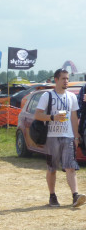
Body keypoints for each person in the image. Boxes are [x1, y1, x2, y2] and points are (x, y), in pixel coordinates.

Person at [34, 69, 85, 208]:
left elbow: (74, 117)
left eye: (67, 78)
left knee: (71, 167)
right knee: (52, 168)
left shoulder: (72, 97)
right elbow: (37, 115)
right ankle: (52, 196)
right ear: (56, 80)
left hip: (67, 137)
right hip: (51, 137)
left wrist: (76, 136)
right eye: (63, 78)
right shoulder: (47, 96)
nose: (66, 81)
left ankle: (75, 196)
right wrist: (52, 117)